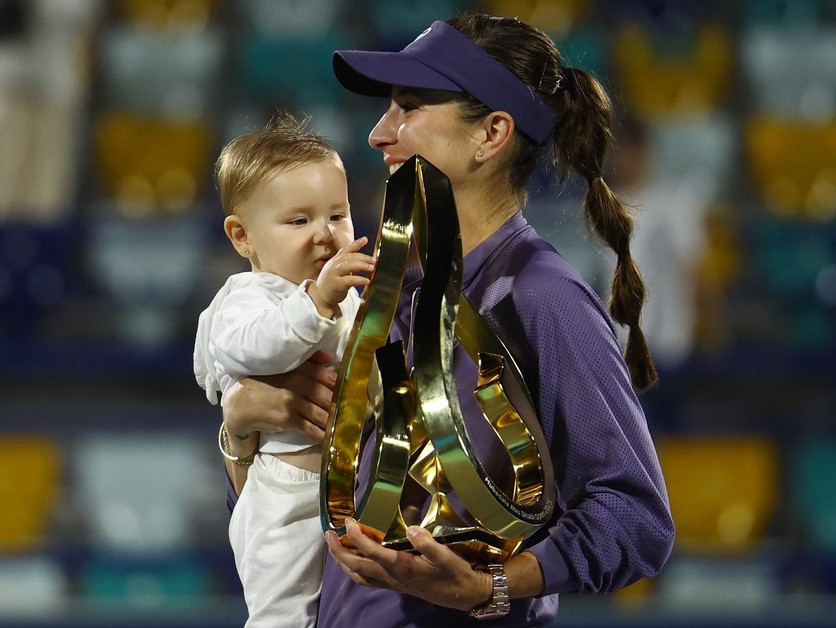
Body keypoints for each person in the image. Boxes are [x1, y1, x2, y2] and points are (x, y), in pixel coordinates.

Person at [222, 14, 675, 627]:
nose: (380, 134)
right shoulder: (375, 288)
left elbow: (635, 518)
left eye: (408, 108)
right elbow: (291, 520)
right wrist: (242, 431)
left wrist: (489, 585)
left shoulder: (541, 294)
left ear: (490, 134)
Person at [193, 112, 375, 627]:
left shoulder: (345, 298)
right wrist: (318, 300)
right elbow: (257, 352)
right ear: (241, 236)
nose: (324, 235)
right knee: (283, 617)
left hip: (349, 490)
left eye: (337, 216)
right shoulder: (246, 298)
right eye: (298, 221)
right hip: (283, 491)